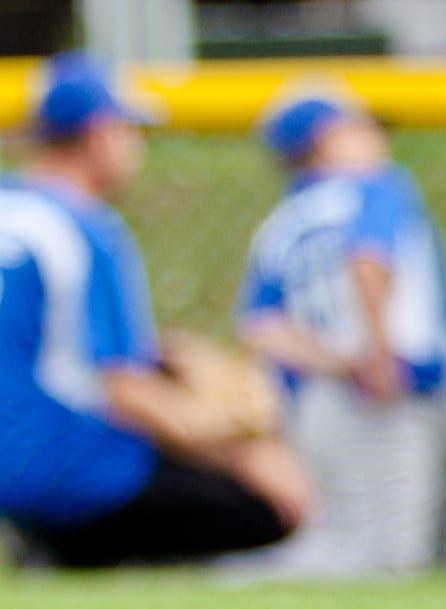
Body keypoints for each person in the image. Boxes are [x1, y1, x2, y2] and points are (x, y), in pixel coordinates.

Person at [0, 54, 310, 567]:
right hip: (63, 464)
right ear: (100, 135)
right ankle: (70, 550)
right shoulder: (83, 225)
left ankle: (55, 542)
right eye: (129, 131)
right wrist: (237, 451)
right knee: (265, 507)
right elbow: (120, 387)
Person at [230, 78, 446, 577]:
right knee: (388, 558)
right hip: (381, 393)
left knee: (344, 537)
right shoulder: (377, 185)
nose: (376, 137)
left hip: (316, 402)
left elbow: (261, 327)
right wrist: (372, 357)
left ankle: (253, 575)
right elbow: (369, 259)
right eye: (360, 125)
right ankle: (246, 580)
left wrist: (333, 361)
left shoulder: (283, 219)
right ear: (324, 139)